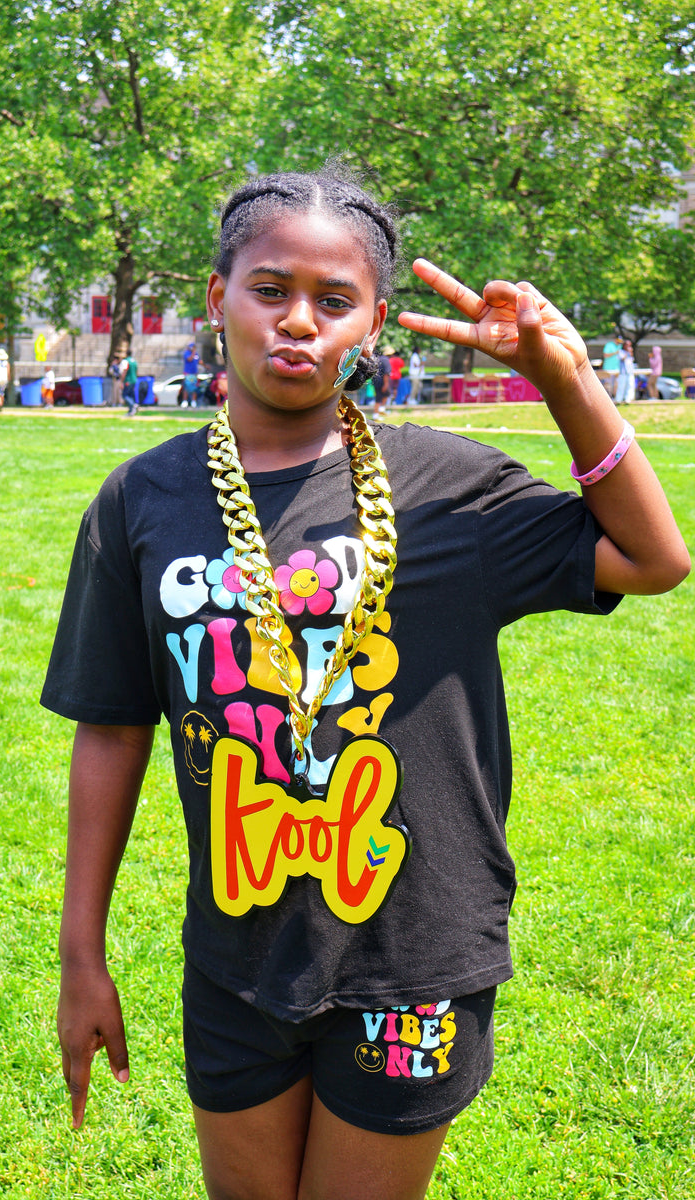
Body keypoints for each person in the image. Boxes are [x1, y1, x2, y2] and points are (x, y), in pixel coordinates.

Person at [42, 169, 689, 1200]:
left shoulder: (447, 490)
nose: (298, 320)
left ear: (374, 323)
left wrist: (563, 380)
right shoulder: (142, 500)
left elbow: (652, 559)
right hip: (238, 954)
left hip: (414, 958)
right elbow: (113, 728)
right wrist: (82, 955)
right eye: (269, 289)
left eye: (334, 299)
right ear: (217, 297)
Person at [614, 339, 635, 406]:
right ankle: (618, 400)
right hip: (623, 373)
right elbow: (622, 358)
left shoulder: (630, 353)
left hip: (630, 372)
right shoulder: (621, 352)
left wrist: (631, 353)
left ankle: (627, 399)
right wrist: (627, 352)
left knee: (630, 386)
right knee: (621, 386)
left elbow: (631, 360)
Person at [119, 349, 139, 416]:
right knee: (130, 395)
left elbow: (124, 372)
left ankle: (133, 405)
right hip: (134, 380)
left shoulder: (126, 361)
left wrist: (121, 382)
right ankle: (131, 411)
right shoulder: (134, 361)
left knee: (125, 395)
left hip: (128, 380)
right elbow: (136, 371)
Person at [601, 335, 620, 400]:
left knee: (615, 384)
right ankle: (606, 398)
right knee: (607, 384)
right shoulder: (609, 345)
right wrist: (615, 353)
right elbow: (605, 355)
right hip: (608, 368)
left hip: (616, 368)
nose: (619, 342)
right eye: (618, 341)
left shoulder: (620, 346)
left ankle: (614, 397)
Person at [183, 341, 201, 407]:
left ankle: (193, 401)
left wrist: (205, 366)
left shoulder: (196, 354)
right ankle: (185, 401)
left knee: (194, 388)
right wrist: (193, 353)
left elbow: (199, 361)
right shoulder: (187, 353)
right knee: (187, 387)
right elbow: (189, 359)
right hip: (188, 373)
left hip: (194, 373)